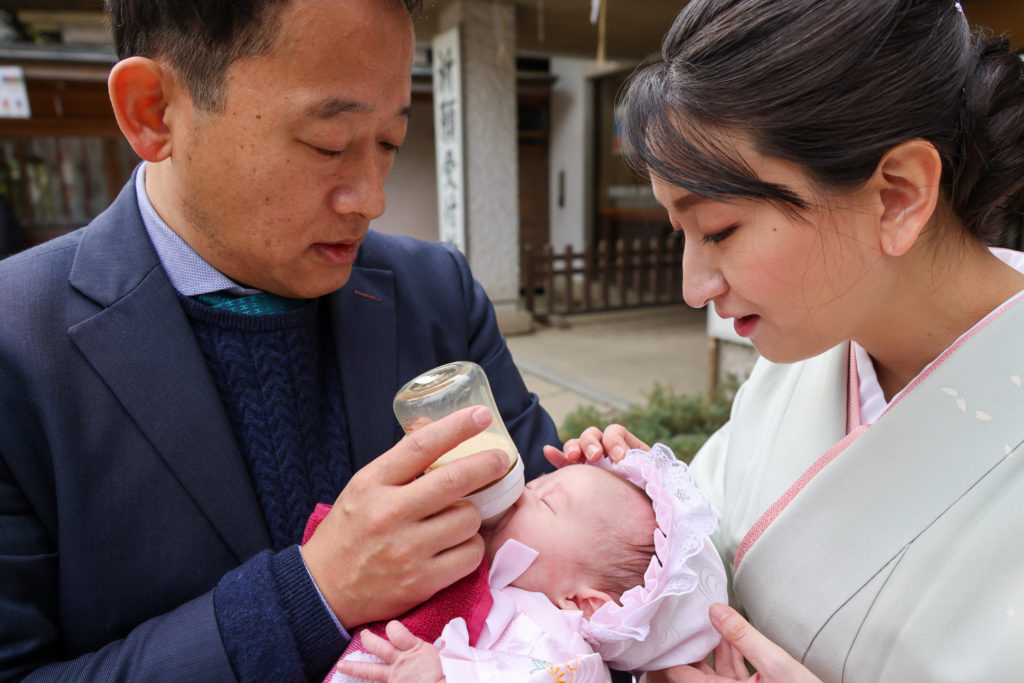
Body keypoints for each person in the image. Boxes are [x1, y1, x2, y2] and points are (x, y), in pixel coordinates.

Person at [0, 0, 559, 680]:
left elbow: (568, 565)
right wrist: (311, 593)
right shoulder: (20, 343)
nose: (370, 196)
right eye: (328, 144)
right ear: (153, 110)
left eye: (389, 142)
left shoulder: (435, 295)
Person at [554, 1, 1024, 681]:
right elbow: (707, 555)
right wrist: (645, 513)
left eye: (718, 230)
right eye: (679, 233)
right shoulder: (804, 361)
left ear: (896, 195)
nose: (694, 286)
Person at [319, 445, 727, 682]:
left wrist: (447, 673)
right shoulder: (492, 586)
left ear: (582, 602)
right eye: (537, 483)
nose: (524, 491)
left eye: (546, 500)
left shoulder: (564, 650)